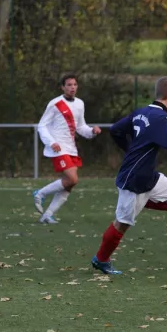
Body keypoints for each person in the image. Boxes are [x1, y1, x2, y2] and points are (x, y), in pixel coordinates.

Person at [91, 76, 167, 275]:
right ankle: (101, 259)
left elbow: (115, 130)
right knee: (121, 224)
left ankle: (144, 201)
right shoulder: (162, 118)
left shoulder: (142, 112)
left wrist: (129, 150)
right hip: (134, 180)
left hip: (148, 177)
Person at [33, 73, 101, 224]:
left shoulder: (80, 104)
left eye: (75, 85)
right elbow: (42, 126)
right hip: (58, 148)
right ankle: (40, 193)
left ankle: (48, 215)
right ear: (62, 87)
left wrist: (91, 132)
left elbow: (80, 127)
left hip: (71, 148)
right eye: (69, 85)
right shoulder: (55, 103)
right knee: (72, 178)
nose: (72, 87)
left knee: (71, 183)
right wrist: (51, 142)